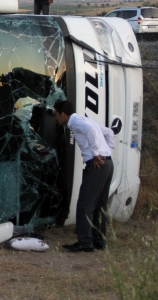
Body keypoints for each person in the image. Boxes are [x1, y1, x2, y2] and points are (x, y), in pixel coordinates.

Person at [54, 100, 115, 252]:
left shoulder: (75, 122)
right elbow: (109, 132)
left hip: (97, 165)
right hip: (107, 164)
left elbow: (90, 131)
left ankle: (85, 242)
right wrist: (107, 151)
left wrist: (96, 154)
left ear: (63, 114)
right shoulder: (84, 119)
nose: (56, 119)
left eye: (56, 115)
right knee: (99, 205)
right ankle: (99, 241)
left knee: (84, 204)